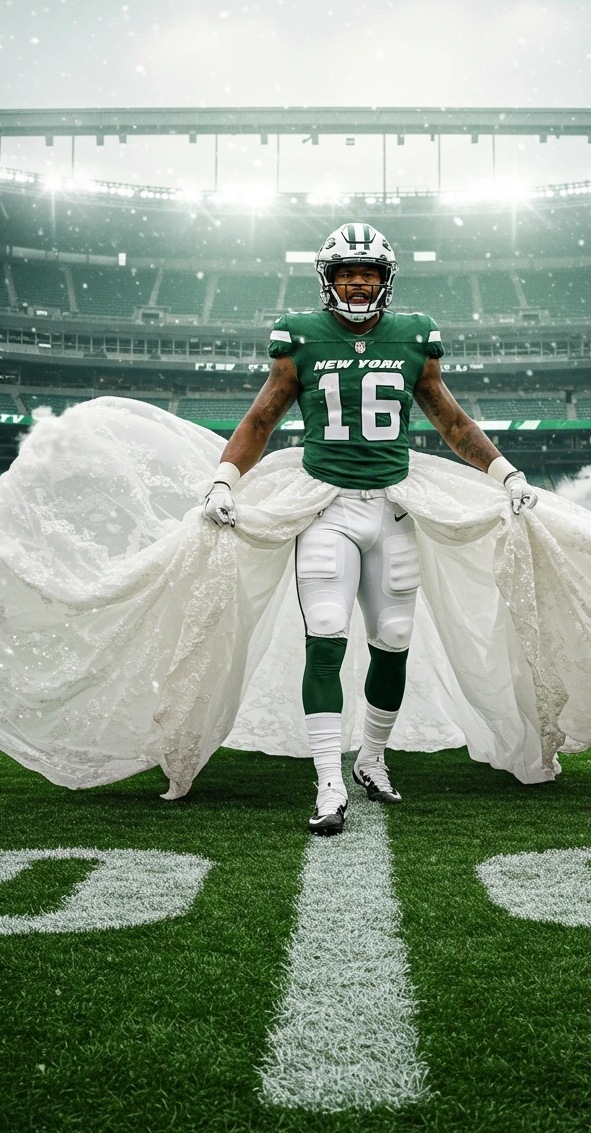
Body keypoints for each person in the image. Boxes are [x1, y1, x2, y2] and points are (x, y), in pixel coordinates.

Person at [202, 223, 537, 835]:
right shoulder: (299, 335)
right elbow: (264, 415)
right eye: (346, 274)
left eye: (369, 274)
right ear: (327, 280)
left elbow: (452, 421)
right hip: (326, 505)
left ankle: (372, 760)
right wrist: (226, 476)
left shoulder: (414, 334)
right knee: (326, 636)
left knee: (393, 639)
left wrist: (505, 471)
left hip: (394, 506)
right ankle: (329, 779)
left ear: (386, 281)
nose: (358, 284)